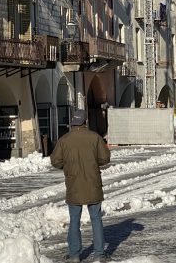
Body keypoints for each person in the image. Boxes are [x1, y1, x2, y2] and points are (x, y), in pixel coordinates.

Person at [50, 110, 111, 263]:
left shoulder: (64, 140)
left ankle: (75, 255)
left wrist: (68, 167)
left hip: (73, 184)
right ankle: (99, 254)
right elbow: (105, 158)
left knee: (74, 220)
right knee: (96, 218)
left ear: (72, 122)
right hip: (93, 183)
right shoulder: (95, 137)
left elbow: (55, 161)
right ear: (86, 121)